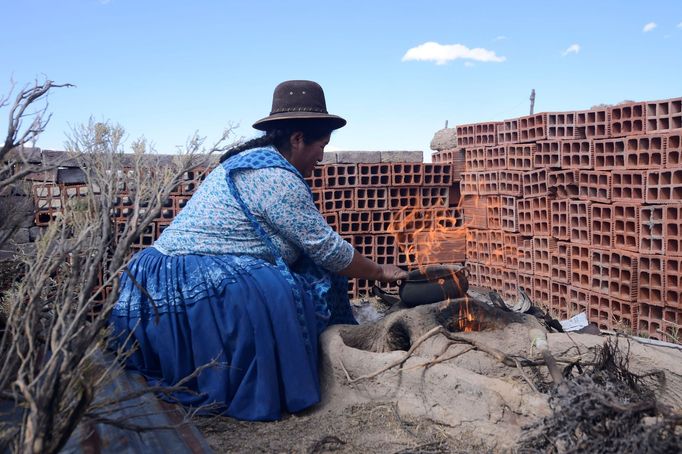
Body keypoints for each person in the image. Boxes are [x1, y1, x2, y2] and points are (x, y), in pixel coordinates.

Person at [110, 80, 407, 421]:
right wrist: (381, 271)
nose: (321, 158)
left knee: (294, 272)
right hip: (177, 281)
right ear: (297, 139)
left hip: (163, 272)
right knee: (271, 288)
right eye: (320, 146)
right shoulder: (273, 177)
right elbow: (328, 250)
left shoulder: (256, 161)